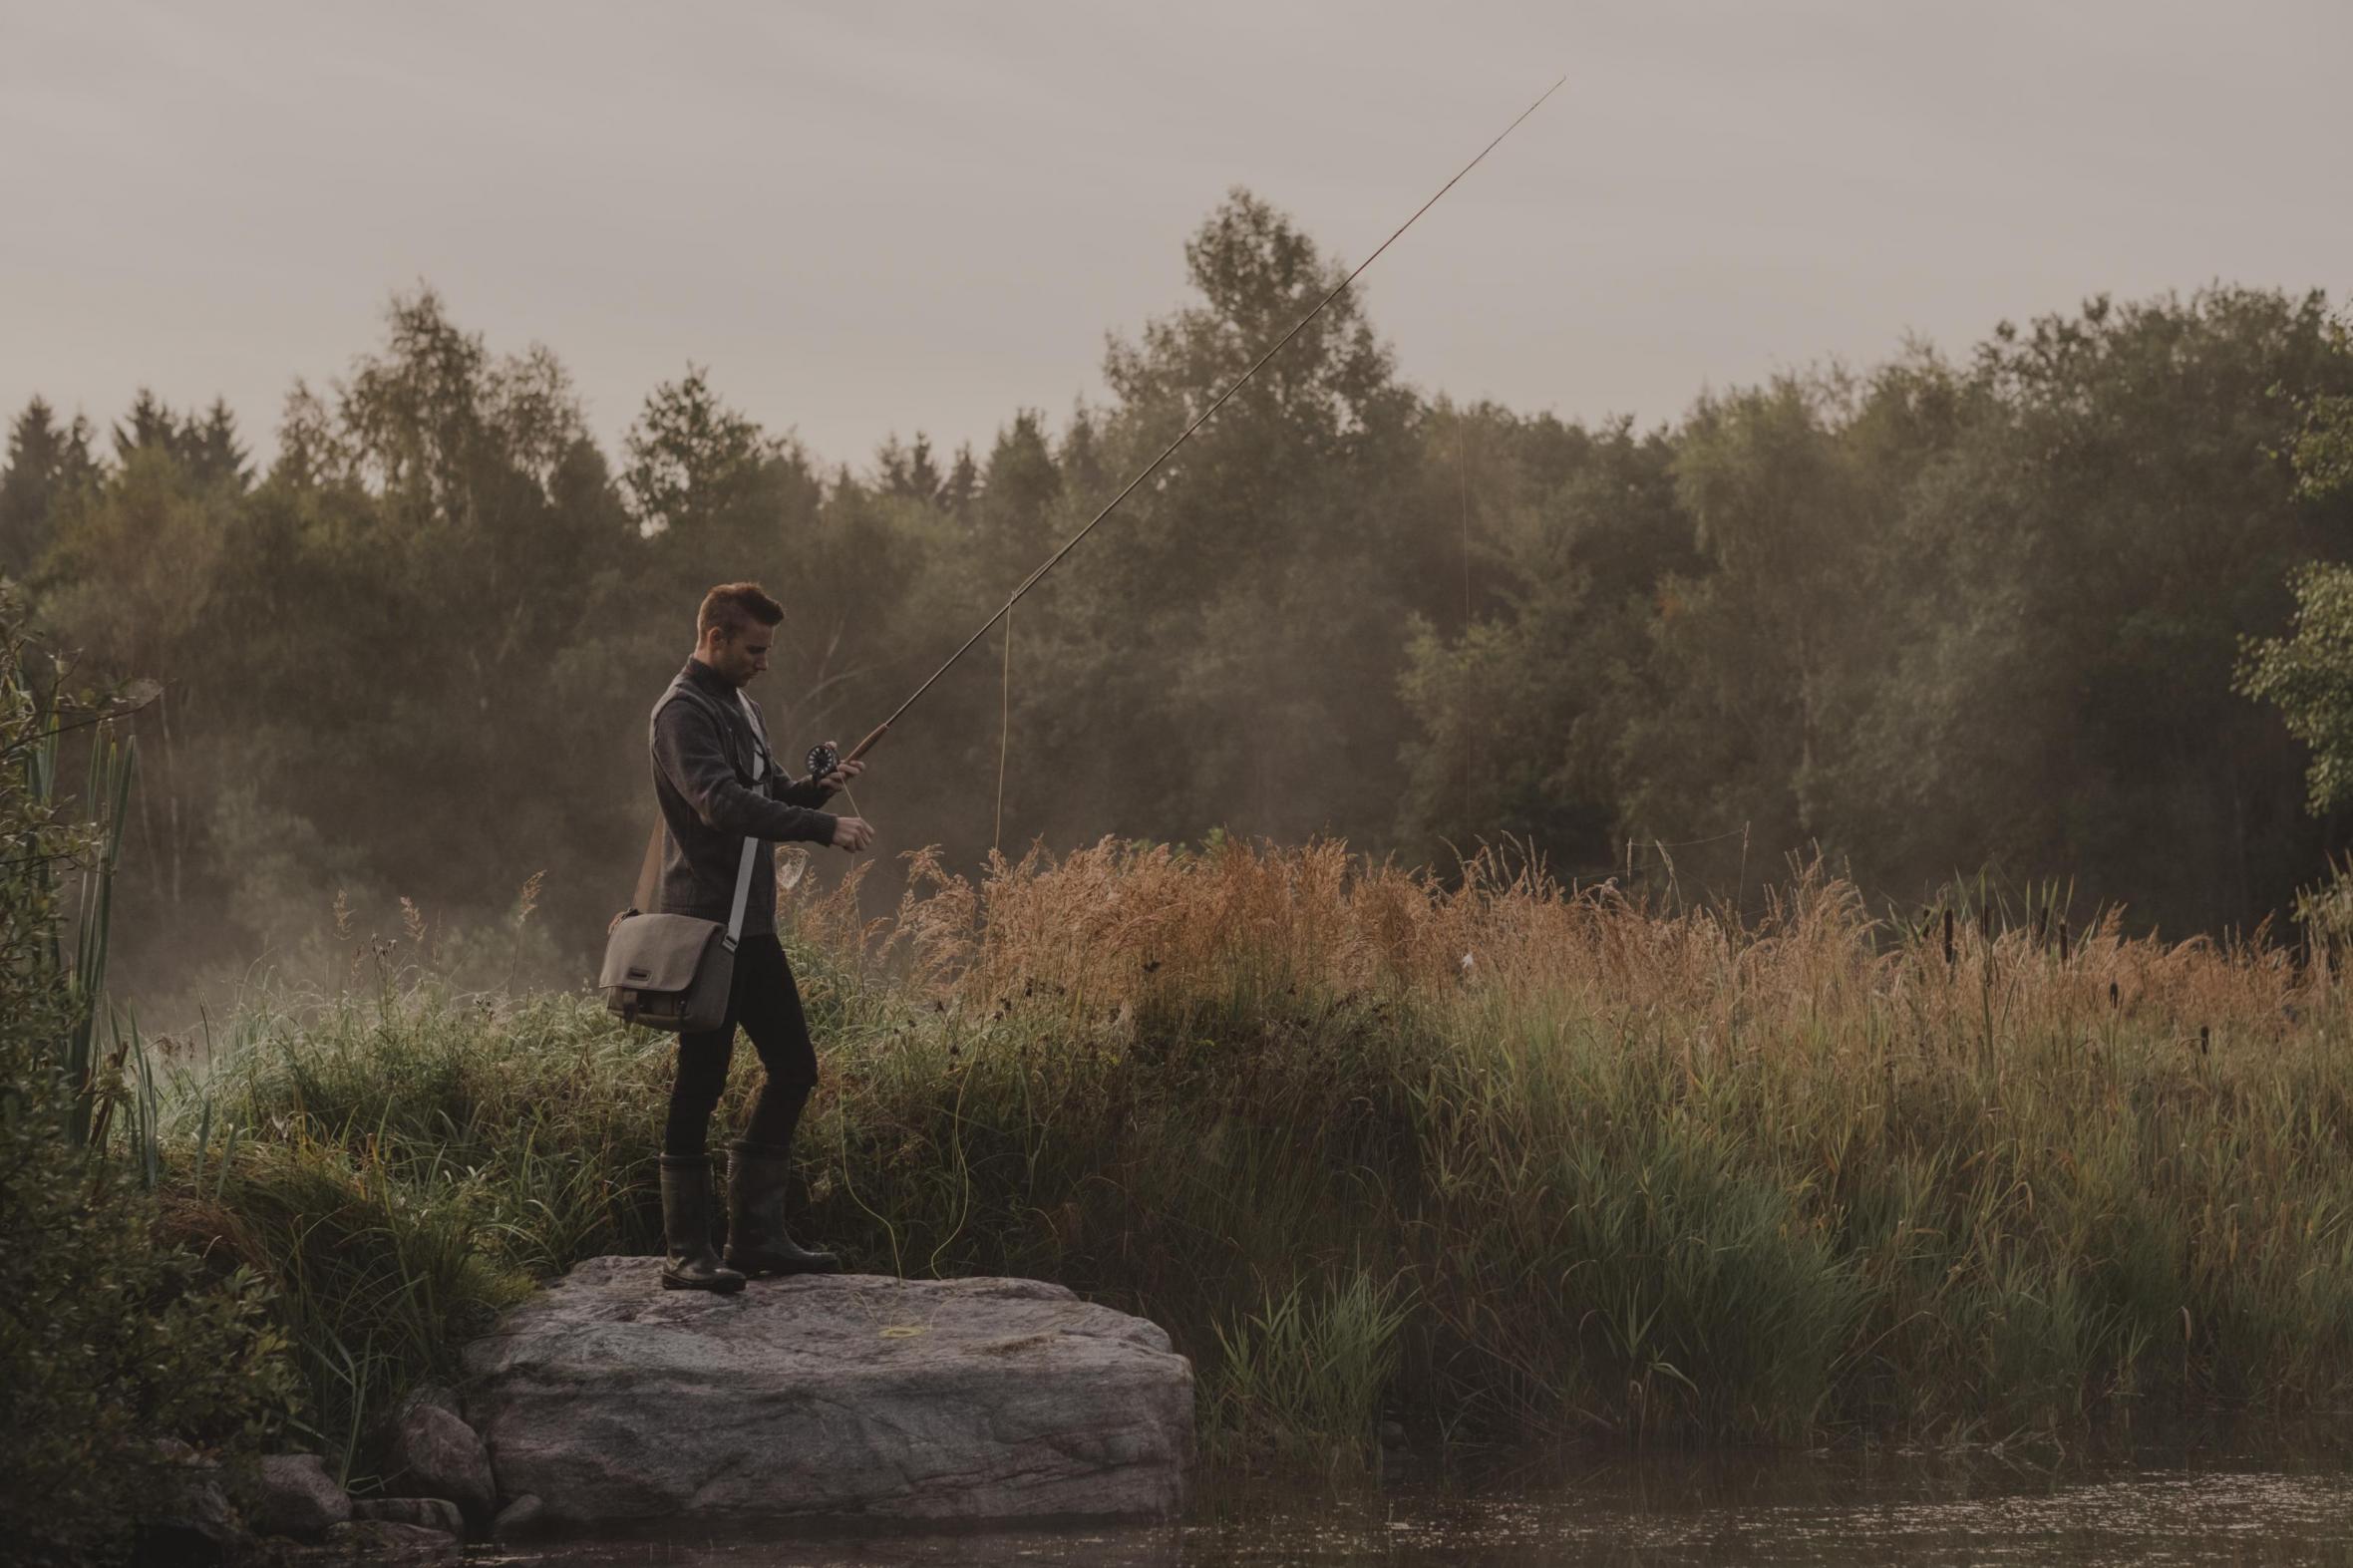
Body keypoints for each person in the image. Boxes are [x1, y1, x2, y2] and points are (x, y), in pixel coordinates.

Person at [646, 582, 875, 1292]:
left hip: (753, 926)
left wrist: (817, 791)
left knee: (796, 1066)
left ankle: (755, 1237)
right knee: (701, 1082)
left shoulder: (740, 704)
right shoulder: (679, 714)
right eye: (754, 649)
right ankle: (687, 1253)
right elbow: (720, 804)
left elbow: (766, 791)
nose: (764, 663)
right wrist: (821, 827)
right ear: (714, 637)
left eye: (767, 650)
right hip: (705, 928)